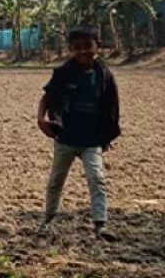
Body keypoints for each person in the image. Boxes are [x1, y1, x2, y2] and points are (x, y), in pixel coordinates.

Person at [36, 25, 121, 241]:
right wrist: (41, 119)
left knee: (97, 179)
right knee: (56, 180)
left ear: (97, 47)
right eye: (77, 47)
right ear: (70, 50)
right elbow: (47, 98)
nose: (83, 51)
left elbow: (111, 107)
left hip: (91, 140)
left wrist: (107, 135)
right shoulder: (64, 74)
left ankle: (100, 225)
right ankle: (48, 220)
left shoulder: (104, 77)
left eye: (87, 46)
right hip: (65, 138)